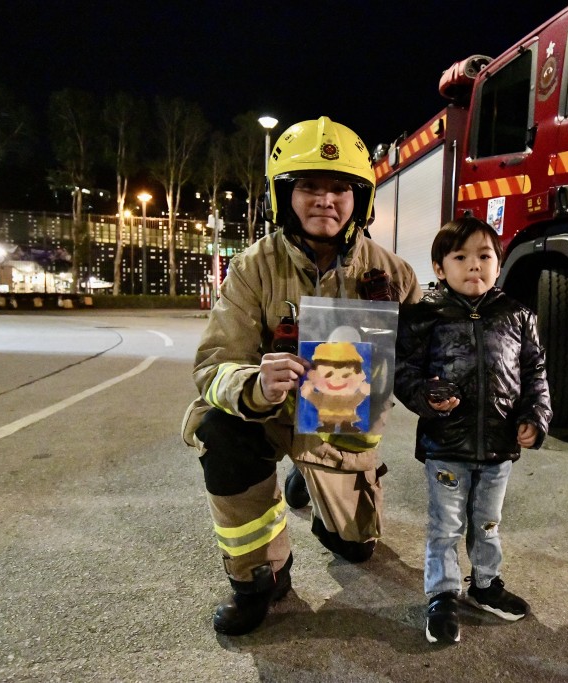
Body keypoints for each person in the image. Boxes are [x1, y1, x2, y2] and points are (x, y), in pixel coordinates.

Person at [181, 116, 421, 636]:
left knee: (354, 550)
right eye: (309, 186)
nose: (325, 200)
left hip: (339, 425)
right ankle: (258, 578)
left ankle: (312, 480)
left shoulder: (395, 274)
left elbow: (426, 358)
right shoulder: (252, 267)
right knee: (218, 431)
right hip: (265, 419)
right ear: (284, 194)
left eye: (340, 188)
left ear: (361, 197)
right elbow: (212, 364)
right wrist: (254, 385)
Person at [394, 216, 552, 644]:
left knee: (487, 523)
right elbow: (404, 373)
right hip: (445, 445)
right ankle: (442, 595)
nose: (474, 265)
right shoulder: (424, 316)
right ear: (440, 268)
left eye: (484, 255)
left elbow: (535, 373)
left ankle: (486, 584)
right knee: (444, 525)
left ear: (498, 264)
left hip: (499, 449)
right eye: (460, 257)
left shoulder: (518, 316)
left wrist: (536, 418)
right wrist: (428, 397)